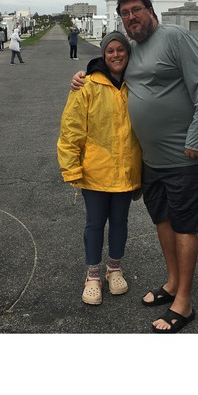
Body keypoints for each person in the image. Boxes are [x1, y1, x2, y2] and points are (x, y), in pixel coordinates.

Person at [71, 0, 198, 333]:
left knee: (184, 225)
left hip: (186, 156)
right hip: (152, 160)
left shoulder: (174, 38)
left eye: (136, 10)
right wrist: (82, 75)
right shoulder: (133, 49)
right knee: (163, 221)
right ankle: (171, 283)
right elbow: (110, 67)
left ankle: (184, 301)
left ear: (151, 11)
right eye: (125, 13)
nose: (131, 17)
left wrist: (196, 138)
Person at [58, 31, 142, 306]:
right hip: (95, 172)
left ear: (128, 54)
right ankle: (93, 274)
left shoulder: (138, 85)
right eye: (110, 51)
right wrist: (71, 169)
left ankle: (114, 268)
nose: (116, 55)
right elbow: (71, 130)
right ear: (103, 55)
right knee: (95, 223)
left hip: (126, 170)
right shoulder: (87, 86)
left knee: (120, 222)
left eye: (121, 50)